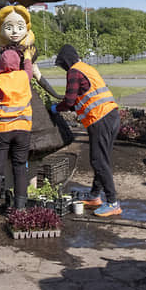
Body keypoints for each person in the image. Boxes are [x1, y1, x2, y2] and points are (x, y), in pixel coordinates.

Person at [50, 44, 122, 217]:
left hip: (101, 118)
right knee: (101, 159)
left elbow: (69, 101)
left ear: (66, 61)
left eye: (62, 65)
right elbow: (80, 100)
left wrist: (55, 108)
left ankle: (113, 203)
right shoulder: (86, 68)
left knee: (98, 160)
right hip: (110, 116)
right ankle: (94, 196)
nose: (63, 68)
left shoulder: (74, 71)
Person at [0, 49, 33, 221]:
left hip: (0, 131)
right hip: (22, 129)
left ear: (1, 64)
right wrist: (28, 57)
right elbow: (29, 70)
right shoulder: (24, 77)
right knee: (20, 168)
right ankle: (20, 209)